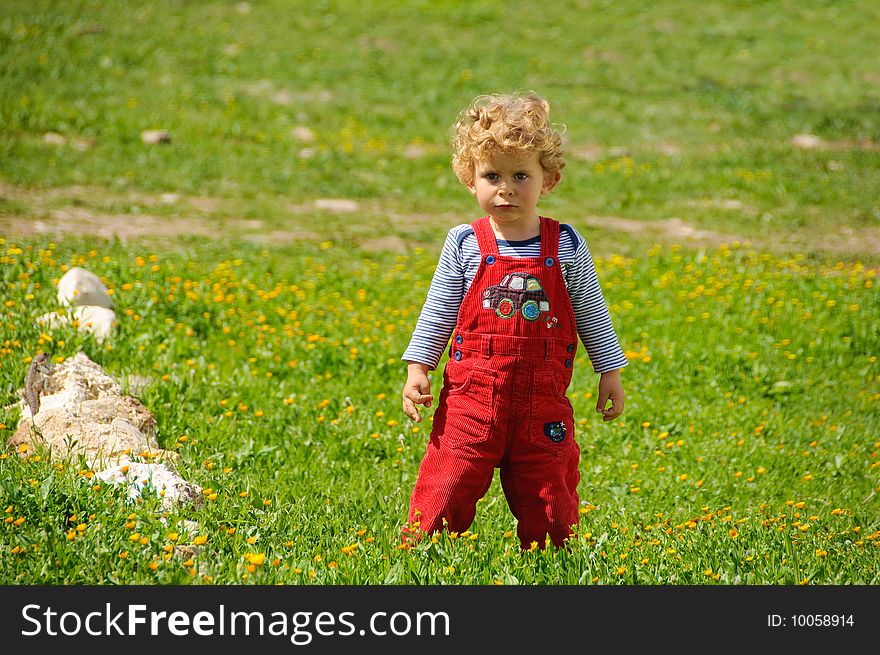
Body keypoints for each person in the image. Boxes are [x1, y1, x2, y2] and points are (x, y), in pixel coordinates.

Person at [400, 92, 627, 550]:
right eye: (492, 175)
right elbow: (438, 309)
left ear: (550, 180)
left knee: (550, 496)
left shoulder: (565, 244)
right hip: (471, 402)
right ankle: (422, 556)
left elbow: (590, 311)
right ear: (470, 180)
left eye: (521, 175)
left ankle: (552, 561)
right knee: (448, 480)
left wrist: (610, 371)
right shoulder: (464, 243)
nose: (505, 187)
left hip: (541, 406)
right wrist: (418, 367)